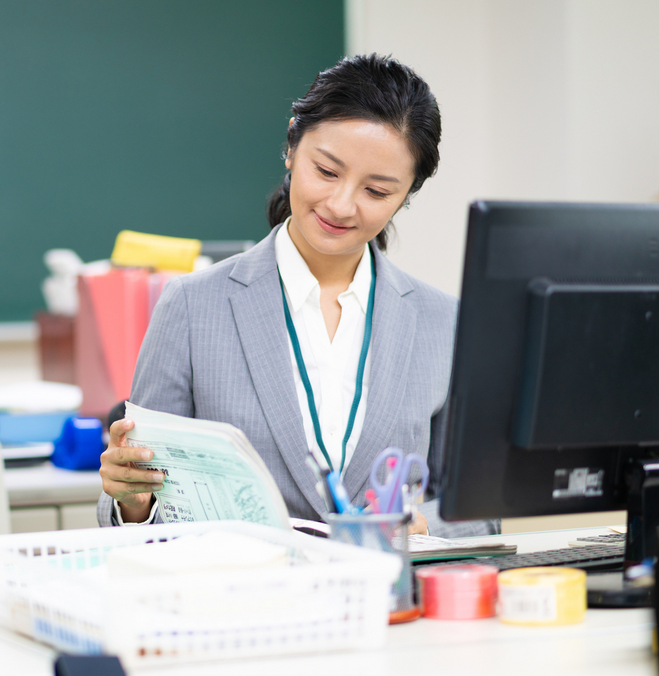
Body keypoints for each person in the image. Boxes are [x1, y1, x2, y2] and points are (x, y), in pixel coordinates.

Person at [97, 53, 496, 537]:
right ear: (292, 146)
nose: (342, 205)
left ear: (406, 194)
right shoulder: (191, 305)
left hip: (385, 602)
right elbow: (142, 502)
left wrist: (418, 527)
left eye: (377, 191)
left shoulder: (444, 323)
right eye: (326, 171)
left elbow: (478, 507)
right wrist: (133, 501)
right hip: (239, 599)